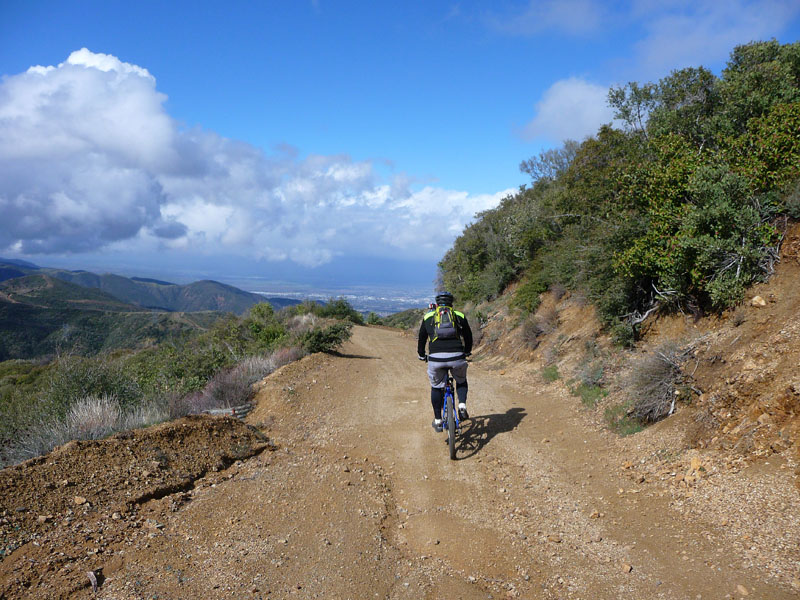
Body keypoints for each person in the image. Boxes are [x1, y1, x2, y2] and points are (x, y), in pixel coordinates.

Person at [417, 291, 473, 431]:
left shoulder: (428, 316)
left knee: (436, 386)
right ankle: (462, 406)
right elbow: (468, 336)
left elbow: (422, 339)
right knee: (461, 380)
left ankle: (437, 420)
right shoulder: (459, 315)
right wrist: (466, 351)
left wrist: (422, 355)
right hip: (457, 357)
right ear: (451, 302)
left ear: (437, 303)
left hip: (436, 358)